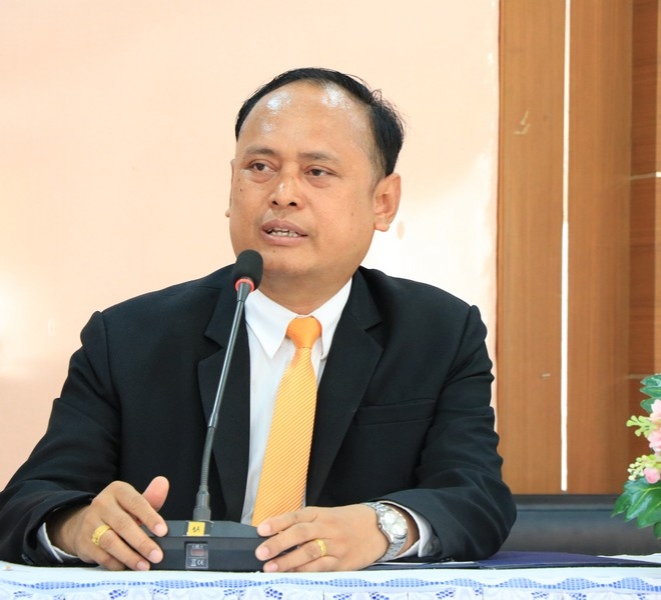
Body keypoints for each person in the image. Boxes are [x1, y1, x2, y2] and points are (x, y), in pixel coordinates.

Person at [0, 67, 516, 572]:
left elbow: (476, 499)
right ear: (232, 187)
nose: (283, 193)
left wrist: (381, 527)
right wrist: (80, 526)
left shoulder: (438, 334)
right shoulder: (128, 338)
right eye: (260, 167)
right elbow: (28, 502)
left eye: (317, 172)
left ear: (383, 202)